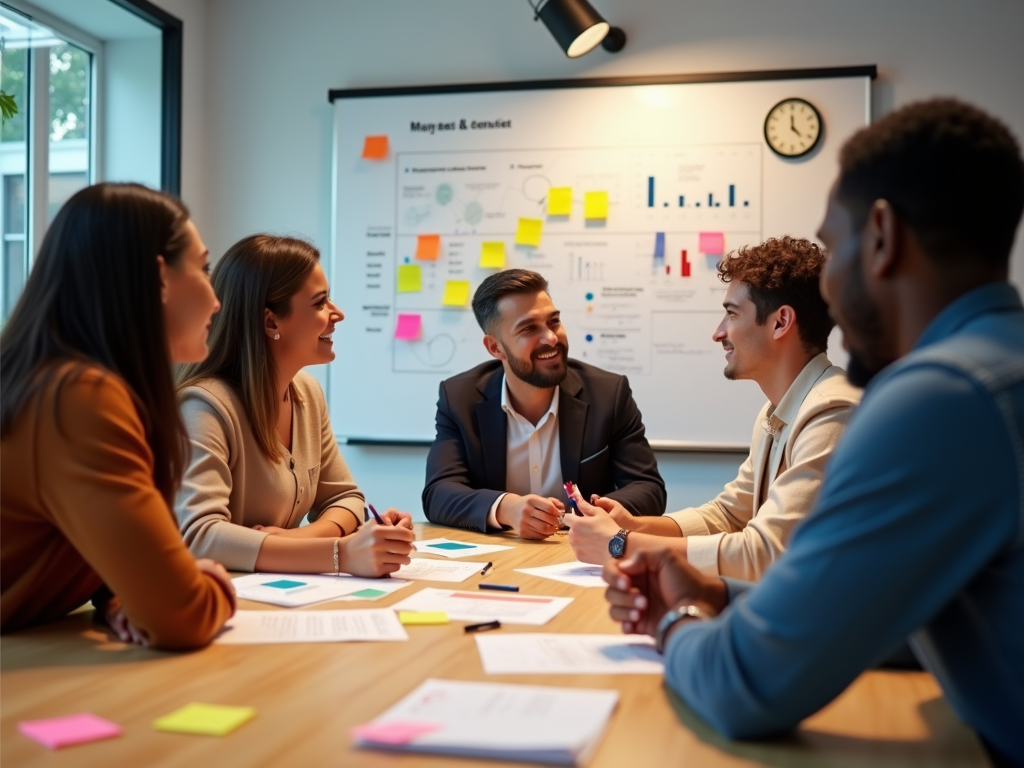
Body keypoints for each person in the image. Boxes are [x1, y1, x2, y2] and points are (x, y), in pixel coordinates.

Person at [601, 99, 1024, 767]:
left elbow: (745, 687)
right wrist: (719, 593)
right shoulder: (998, 368)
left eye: (834, 246)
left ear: (881, 236)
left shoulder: (941, 399)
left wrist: (674, 621)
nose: (829, 285)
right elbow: (917, 607)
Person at [0, 183, 236, 650]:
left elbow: (79, 543)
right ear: (159, 279)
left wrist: (117, 596)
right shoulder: (78, 397)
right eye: (204, 268)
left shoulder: (58, 381)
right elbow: (183, 616)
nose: (216, 299)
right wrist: (211, 583)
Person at [566, 237, 861, 580]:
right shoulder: (777, 411)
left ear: (780, 322)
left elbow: (765, 552)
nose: (718, 333)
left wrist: (622, 544)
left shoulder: (832, 412)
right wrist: (633, 525)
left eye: (732, 314)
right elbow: (729, 515)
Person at [175, 235, 414, 575]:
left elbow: (346, 500)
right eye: (320, 303)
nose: (337, 313)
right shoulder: (203, 408)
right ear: (272, 322)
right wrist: (341, 554)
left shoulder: (306, 393)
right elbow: (199, 536)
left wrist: (298, 540)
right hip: (221, 603)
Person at [423, 269, 666, 539]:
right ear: (495, 348)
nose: (551, 338)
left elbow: (648, 487)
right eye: (529, 328)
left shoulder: (608, 393)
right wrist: (506, 507)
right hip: (500, 557)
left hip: (584, 554)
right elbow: (439, 492)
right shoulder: (460, 397)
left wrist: (597, 513)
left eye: (554, 322)